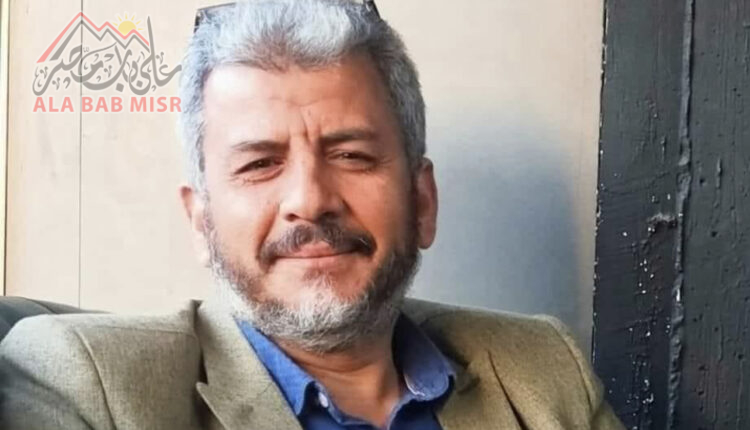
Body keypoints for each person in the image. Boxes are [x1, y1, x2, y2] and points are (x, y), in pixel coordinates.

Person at [0, 1, 625, 429]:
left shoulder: (542, 368)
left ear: (422, 201)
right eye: (259, 164)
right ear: (201, 222)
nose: (310, 198)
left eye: (352, 155)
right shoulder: (84, 382)